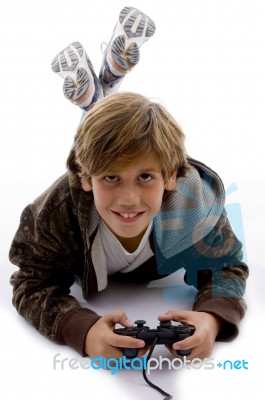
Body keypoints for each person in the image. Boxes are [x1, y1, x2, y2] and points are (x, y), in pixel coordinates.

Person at [9, 6, 248, 362]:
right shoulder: (56, 210)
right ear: (86, 179)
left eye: (146, 177)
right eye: (110, 178)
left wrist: (212, 317)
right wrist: (82, 329)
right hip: (85, 180)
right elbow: (31, 279)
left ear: (170, 176)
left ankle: (101, 93)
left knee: (110, 138)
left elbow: (226, 264)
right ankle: (102, 93)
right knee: (100, 140)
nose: (129, 198)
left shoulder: (193, 202)